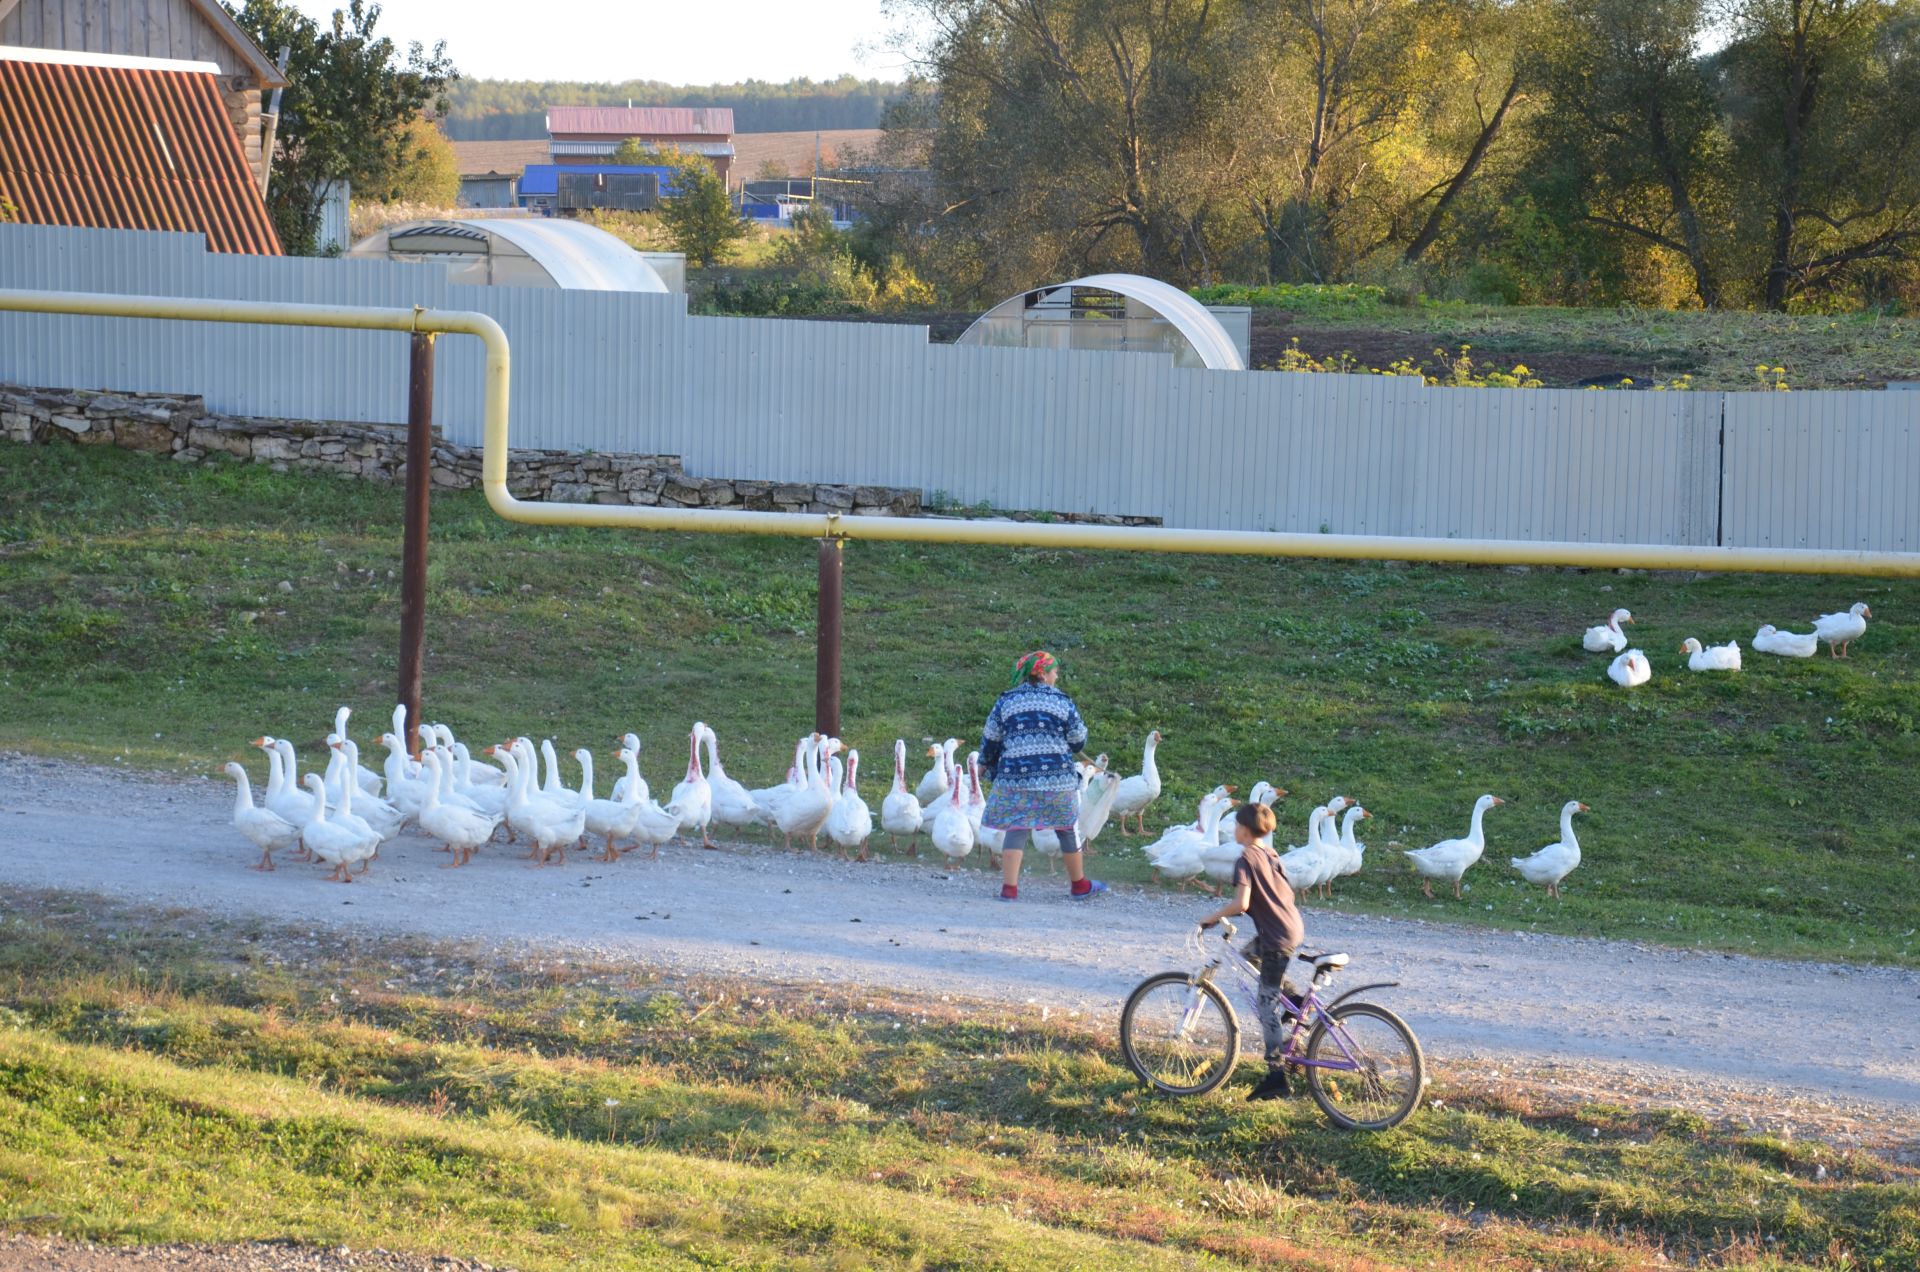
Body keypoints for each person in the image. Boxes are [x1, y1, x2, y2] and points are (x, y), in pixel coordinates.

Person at [977, 650, 1108, 902]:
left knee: (1017, 826)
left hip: (1015, 779)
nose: (1057, 676)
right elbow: (1078, 740)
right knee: (1066, 828)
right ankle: (1079, 885)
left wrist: (984, 764)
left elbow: (991, 737)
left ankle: (1009, 889)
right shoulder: (1062, 702)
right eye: (1055, 671)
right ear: (1044, 674)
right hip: (1057, 780)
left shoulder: (1006, 701)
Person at [1199, 802, 1305, 1100]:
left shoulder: (1246, 858)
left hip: (1275, 937)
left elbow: (1241, 904)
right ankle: (1295, 1000)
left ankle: (1276, 1075)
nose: (1233, 830)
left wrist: (1212, 916)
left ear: (1244, 829)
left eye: (1235, 825)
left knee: (1265, 1004)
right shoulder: (1271, 854)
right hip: (1290, 927)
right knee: (1247, 958)